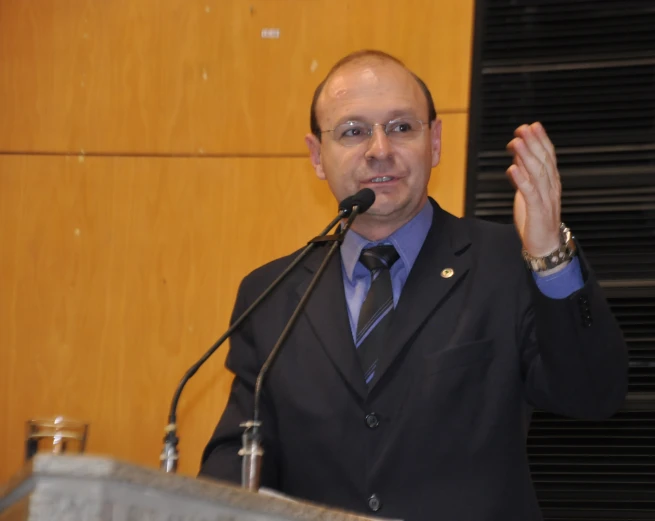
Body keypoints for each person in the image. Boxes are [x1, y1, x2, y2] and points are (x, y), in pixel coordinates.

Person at [199, 49, 628, 521]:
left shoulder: (508, 263)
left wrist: (549, 256)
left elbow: (592, 393)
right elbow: (239, 457)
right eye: (353, 131)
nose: (379, 148)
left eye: (402, 127)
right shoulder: (271, 294)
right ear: (318, 156)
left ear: (435, 141)